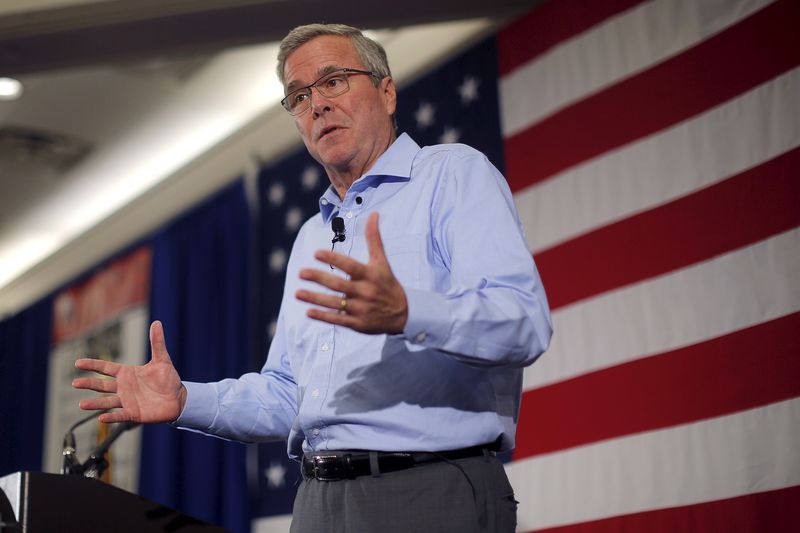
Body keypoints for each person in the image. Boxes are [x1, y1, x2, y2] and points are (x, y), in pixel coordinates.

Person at [73, 23, 552, 533]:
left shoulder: (451, 176)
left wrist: (410, 313)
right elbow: (287, 394)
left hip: (428, 489)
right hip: (318, 503)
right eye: (298, 96)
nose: (317, 104)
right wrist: (186, 401)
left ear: (386, 92)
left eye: (334, 81)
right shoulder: (311, 237)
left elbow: (523, 323)